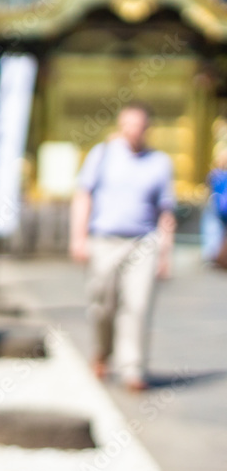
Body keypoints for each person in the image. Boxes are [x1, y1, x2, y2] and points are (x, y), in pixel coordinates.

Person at [69, 102, 176, 392]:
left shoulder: (159, 162)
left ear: (148, 128)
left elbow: (166, 212)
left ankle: (132, 369)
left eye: (139, 126)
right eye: (128, 125)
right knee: (103, 303)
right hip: (104, 238)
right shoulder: (102, 155)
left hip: (143, 241)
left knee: (138, 305)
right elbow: (84, 196)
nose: (133, 131)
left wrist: (166, 252)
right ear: (120, 125)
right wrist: (78, 237)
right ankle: (102, 351)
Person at [200, 147, 227, 265]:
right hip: (219, 207)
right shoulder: (216, 174)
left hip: (215, 206)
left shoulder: (215, 174)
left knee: (213, 229)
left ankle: (213, 254)